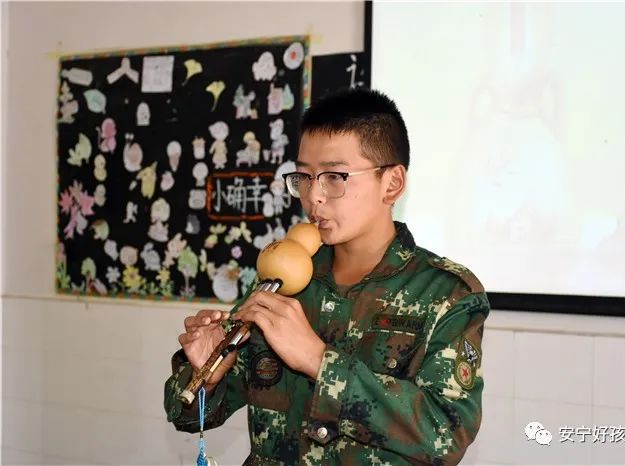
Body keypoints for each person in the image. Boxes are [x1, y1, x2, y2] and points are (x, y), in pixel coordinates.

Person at [164, 88, 490, 465]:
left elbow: (447, 435)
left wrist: (319, 360)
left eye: (334, 176)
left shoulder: (447, 294)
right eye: (304, 176)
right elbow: (187, 413)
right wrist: (207, 373)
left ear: (392, 183)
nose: (313, 196)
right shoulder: (284, 280)